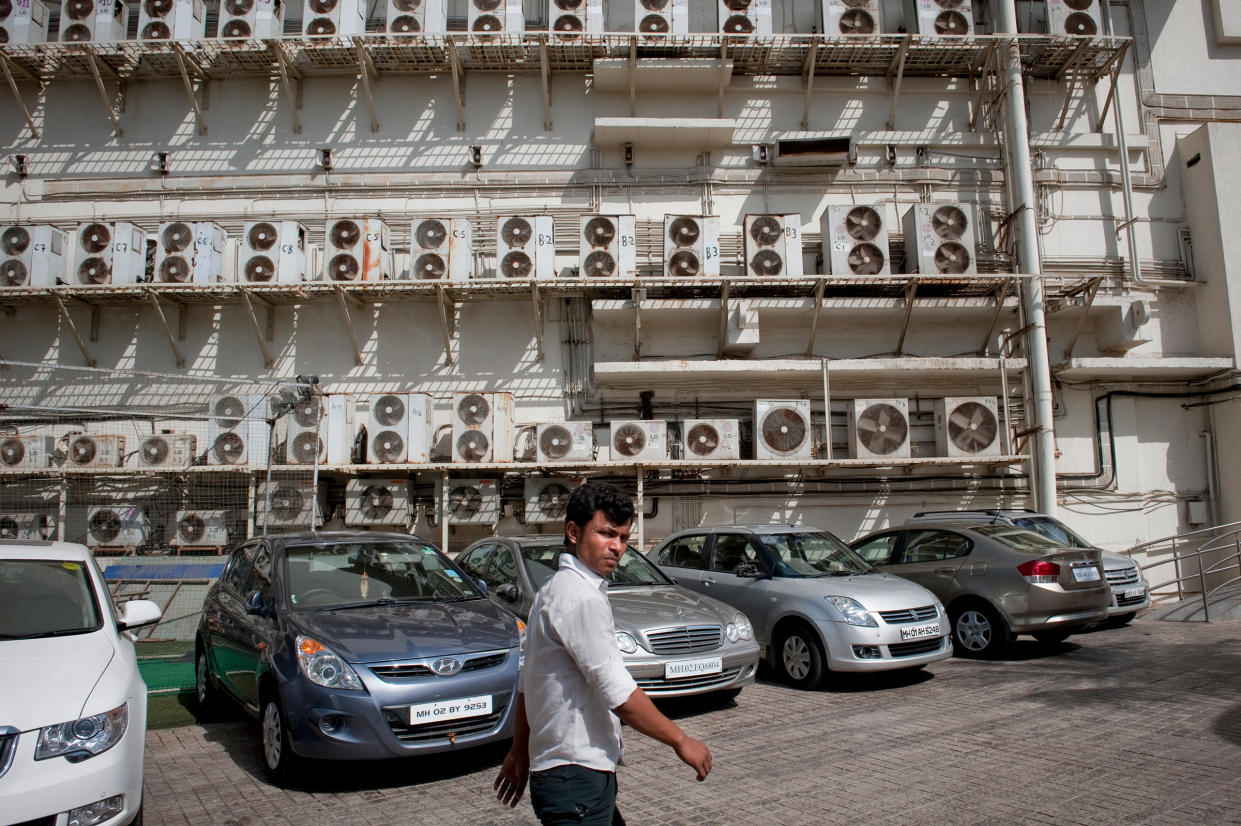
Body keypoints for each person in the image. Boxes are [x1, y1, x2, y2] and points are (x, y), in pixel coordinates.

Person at [494, 479, 712, 825]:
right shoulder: (579, 597)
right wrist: (681, 740)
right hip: (575, 776)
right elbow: (618, 692)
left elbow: (526, 682)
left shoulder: (553, 590)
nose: (617, 547)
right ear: (573, 532)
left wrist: (520, 752)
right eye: (606, 534)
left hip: (571, 775)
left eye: (623, 538)